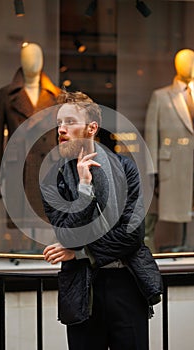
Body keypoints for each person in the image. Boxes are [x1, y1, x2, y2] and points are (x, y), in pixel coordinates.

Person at [40, 91, 163, 350]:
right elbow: (67, 236)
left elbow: (132, 235)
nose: (61, 129)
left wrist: (82, 251)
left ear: (92, 128)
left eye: (70, 122)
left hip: (127, 285)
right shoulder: (53, 179)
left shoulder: (125, 168)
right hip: (82, 291)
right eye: (59, 123)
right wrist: (84, 188)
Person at [0, 42, 61, 229]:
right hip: (18, 165)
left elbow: (62, 135)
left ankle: (37, 250)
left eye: (37, 57)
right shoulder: (5, 95)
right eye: (28, 57)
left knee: (45, 218)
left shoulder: (56, 96)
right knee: (20, 217)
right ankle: (21, 250)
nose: (33, 62)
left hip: (47, 165)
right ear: (21, 61)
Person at [145, 48, 194, 251]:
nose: (189, 66)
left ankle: (187, 244)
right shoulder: (161, 96)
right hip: (173, 164)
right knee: (175, 208)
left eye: (191, 61)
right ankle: (178, 244)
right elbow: (151, 134)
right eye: (185, 62)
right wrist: (152, 170)